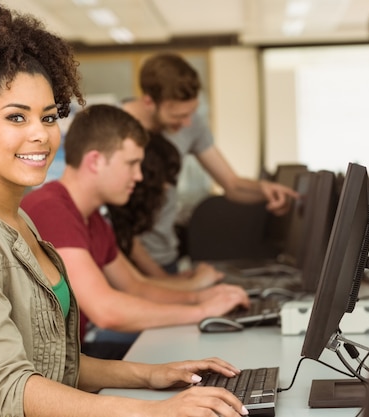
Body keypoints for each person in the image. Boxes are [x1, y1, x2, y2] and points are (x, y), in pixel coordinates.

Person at [0, 3, 250, 417]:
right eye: (16, 118)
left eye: (49, 117)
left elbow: (56, 366)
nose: (39, 134)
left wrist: (155, 375)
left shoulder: (21, 222)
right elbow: (10, 388)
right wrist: (153, 411)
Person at [21, 104, 250, 356]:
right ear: (95, 161)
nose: (139, 176)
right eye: (131, 163)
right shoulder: (51, 209)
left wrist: (202, 298)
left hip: (75, 355)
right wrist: (202, 312)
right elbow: (106, 310)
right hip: (50, 368)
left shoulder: (92, 217)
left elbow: (136, 286)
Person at [121, 53, 300, 276]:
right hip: (125, 261)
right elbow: (120, 224)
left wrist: (264, 189)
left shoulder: (191, 123)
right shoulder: (114, 128)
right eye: (178, 115)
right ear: (149, 101)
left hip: (166, 256)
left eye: (192, 113)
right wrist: (164, 281)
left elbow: (232, 184)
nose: (187, 123)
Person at [106, 131, 223, 287]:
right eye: (162, 179)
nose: (167, 187)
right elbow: (137, 287)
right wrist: (195, 284)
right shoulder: (108, 218)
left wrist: (176, 282)